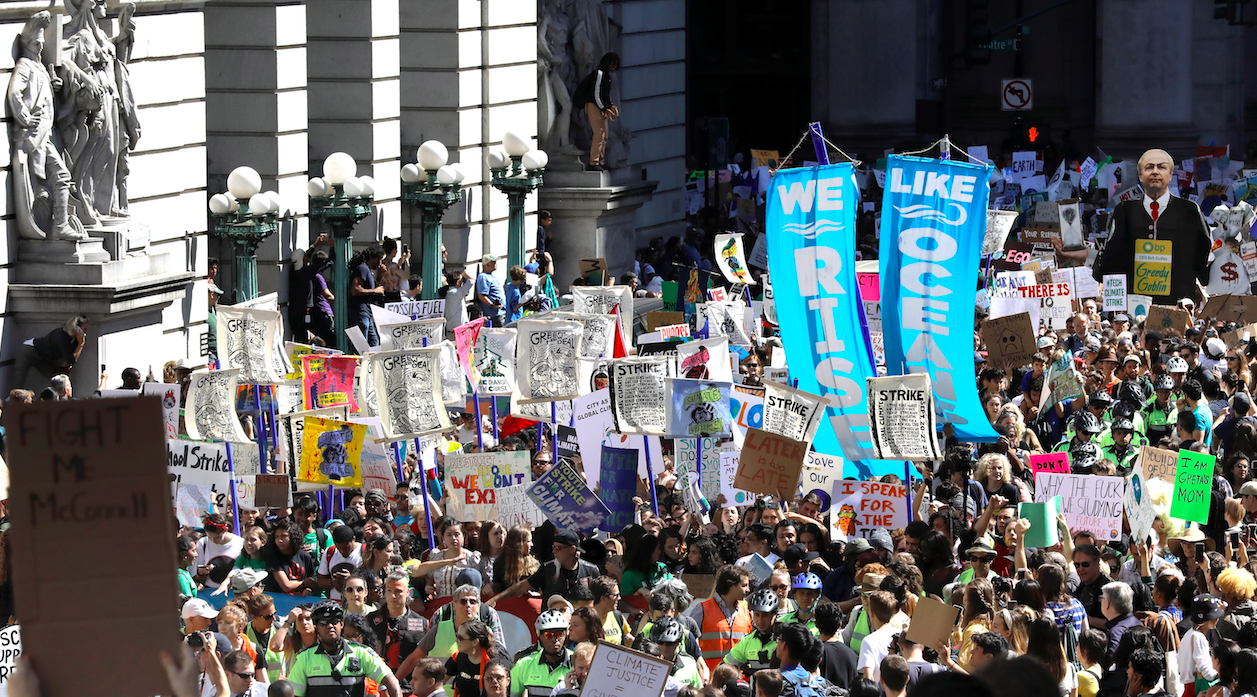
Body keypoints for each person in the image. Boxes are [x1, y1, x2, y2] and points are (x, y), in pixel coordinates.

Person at [1093, 148, 1212, 305]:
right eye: (1149, 167)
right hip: (1137, 304)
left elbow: (1203, 255)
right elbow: (1112, 258)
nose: (1155, 172)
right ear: (1140, 176)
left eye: (1161, 167)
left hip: (1177, 303)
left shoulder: (1190, 210)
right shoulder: (1125, 210)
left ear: (1170, 175)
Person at [286, 600, 401, 697]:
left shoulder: (362, 653)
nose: (330, 626)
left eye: (334, 621)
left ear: (341, 624)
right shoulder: (304, 658)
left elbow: (391, 682)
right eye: (323, 623)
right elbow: (295, 694)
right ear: (316, 627)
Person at [489, 529, 599, 605]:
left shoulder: (591, 571)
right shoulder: (547, 569)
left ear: (572, 549)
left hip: (581, 625)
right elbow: (521, 587)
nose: (554, 551)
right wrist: (495, 600)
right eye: (553, 547)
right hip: (554, 626)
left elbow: (599, 599)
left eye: (558, 548)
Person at [684, 564, 752, 672]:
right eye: (744, 586)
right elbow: (688, 643)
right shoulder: (702, 610)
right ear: (731, 586)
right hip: (711, 679)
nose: (748, 590)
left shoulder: (746, 611)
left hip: (739, 680)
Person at [366, 571, 429, 675]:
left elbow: (425, 659)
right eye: (389, 590)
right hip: (377, 683)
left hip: (409, 686)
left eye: (398, 591)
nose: (393, 596)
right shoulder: (370, 620)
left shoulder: (422, 623)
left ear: (408, 592)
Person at [12, 315, 87, 392]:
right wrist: (81, 344)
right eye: (84, 330)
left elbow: (69, 361)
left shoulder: (74, 340)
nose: (85, 333)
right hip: (31, 351)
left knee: (60, 382)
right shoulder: (61, 336)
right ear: (76, 329)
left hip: (45, 358)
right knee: (18, 381)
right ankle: (12, 401)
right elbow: (71, 360)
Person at [572, 53, 619, 171]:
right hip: (593, 105)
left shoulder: (607, 76)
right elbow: (595, 93)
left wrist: (610, 106)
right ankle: (594, 161)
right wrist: (604, 108)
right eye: (613, 65)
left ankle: (601, 160)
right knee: (599, 133)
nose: (614, 68)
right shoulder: (599, 74)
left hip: (601, 106)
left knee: (605, 135)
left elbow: (606, 94)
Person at [510, 610, 572, 697]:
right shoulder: (524, 664)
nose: (554, 639)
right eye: (548, 635)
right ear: (539, 636)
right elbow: (512, 694)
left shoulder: (578, 663)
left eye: (559, 634)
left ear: (565, 635)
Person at [725, 588, 779, 679]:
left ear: (774, 614)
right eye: (757, 615)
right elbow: (725, 666)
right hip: (755, 692)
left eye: (765, 615)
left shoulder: (783, 640)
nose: (760, 620)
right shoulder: (746, 641)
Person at [349, 245, 386, 347]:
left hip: (367, 313)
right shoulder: (362, 268)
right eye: (380, 260)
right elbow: (355, 290)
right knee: (362, 344)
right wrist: (375, 291)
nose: (380, 264)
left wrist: (380, 276)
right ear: (374, 258)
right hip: (360, 312)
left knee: (374, 342)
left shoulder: (368, 270)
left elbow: (374, 288)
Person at [476, 256, 506, 327]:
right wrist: (492, 305)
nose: (496, 264)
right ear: (487, 265)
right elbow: (481, 295)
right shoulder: (483, 277)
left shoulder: (491, 277)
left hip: (501, 312)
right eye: (493, 263)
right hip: (494, 315)